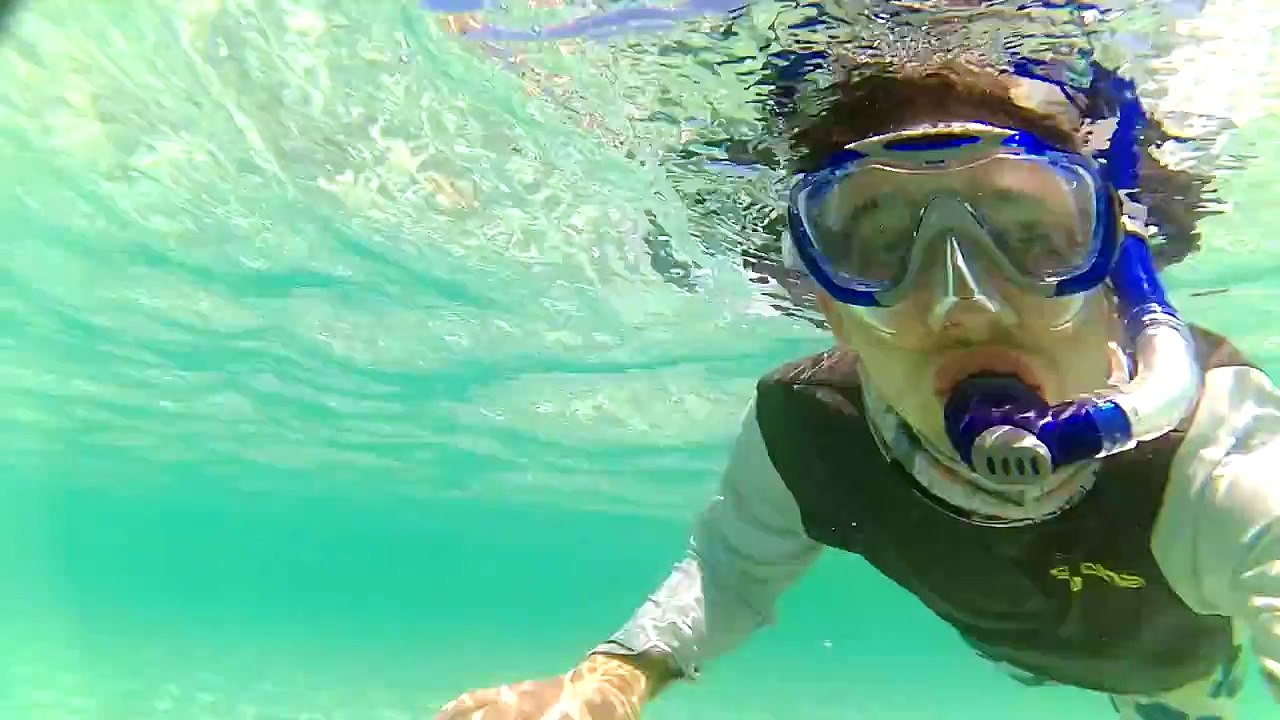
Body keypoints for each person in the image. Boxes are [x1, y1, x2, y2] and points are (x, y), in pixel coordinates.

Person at [435, 56, 1280, 720]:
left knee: (1177, 700)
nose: (964, 305)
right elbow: (729, 572)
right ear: (831, 309)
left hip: (1173, 662)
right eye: (877, 248)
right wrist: (608, 684)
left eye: (1030, 237)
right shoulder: (811, 428)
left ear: (1116, 276)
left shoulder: (1221, 448)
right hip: (1018, 648)